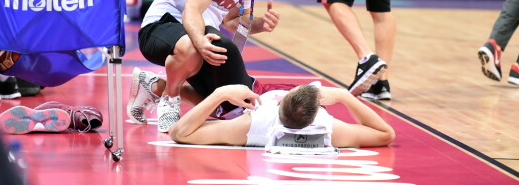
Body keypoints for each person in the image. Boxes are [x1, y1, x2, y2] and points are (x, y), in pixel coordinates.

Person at [129, 0, 297, 132]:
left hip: (202, 35)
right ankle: (170, 100)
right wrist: (199, 42)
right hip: (162, 25)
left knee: (234, 108)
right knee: (194, 47)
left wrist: (256, 26)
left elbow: (230, 21)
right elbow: (192, 9)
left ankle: (154, 86)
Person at [168, 83, 394, 149]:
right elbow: (385, 134)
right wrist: (345, 96)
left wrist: (220, 93)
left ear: (278, 103)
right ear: (317, 113)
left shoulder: (251, 124)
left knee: (221, 102)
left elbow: (179, 133)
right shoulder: (329, 129)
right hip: (277, 98)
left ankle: (167, 88)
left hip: (262, 90)